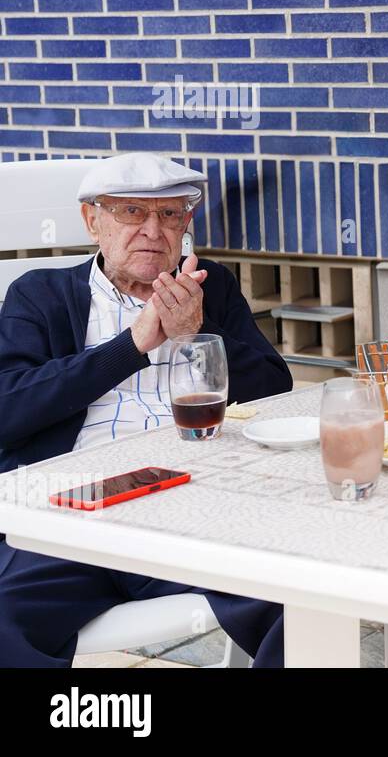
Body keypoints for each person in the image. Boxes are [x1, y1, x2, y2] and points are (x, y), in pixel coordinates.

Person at [0, 152, 291, 667]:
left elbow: (274, 388)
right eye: (131, 213)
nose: (153, 231)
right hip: (70, 515)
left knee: (295, 600)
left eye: (170, 215)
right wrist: (128, 347)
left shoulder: (210, 286)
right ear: (93, 221)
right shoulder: (39, 295)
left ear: (186, 225)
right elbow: (9, 408)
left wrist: (198, 335)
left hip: (195, 507)